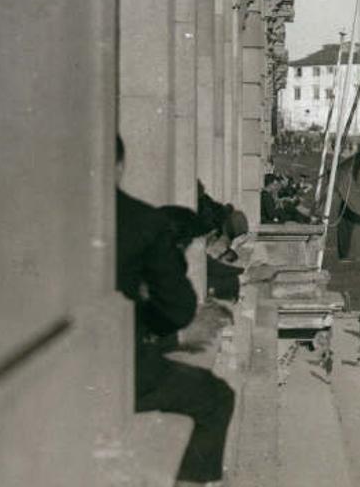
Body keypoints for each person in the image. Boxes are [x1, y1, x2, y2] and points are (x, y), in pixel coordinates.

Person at [116, 136, 233, 483]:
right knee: (215, 397)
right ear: (120, 166)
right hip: (122, 373)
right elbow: (179, 309)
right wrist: (182, 332)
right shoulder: (140, 220)